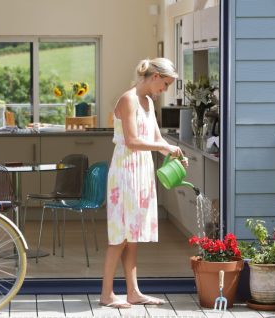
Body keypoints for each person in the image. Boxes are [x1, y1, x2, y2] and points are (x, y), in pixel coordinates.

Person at [99, 57, 188, 308]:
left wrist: (175, 153)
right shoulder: (128, 99)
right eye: (166, 84)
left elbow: (156, 139)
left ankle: (133, 292)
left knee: (133, 235)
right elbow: (132, 141)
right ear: (155, 76)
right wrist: (163, 146)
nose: (165, 90)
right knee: (120, 236)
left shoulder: (148, 102)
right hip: (126, 171)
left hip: (142, 171)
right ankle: (106, 294)